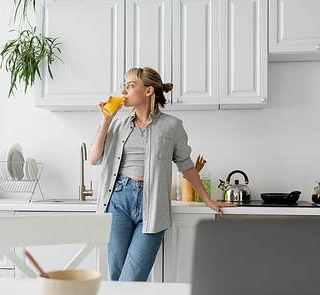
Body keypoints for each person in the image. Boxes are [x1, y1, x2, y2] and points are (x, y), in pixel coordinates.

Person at [89, 67, 235, 282]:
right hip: (117, 201)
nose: (124, 90)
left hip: (153, 205)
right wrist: (105, 121)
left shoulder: (172, 126)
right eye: (124, 85)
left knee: (131, 280)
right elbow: (93, 158)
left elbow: (186, 165)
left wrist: (207, 200)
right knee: (117, 276)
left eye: (130, 85)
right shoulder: (117, 124)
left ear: (149, 91)